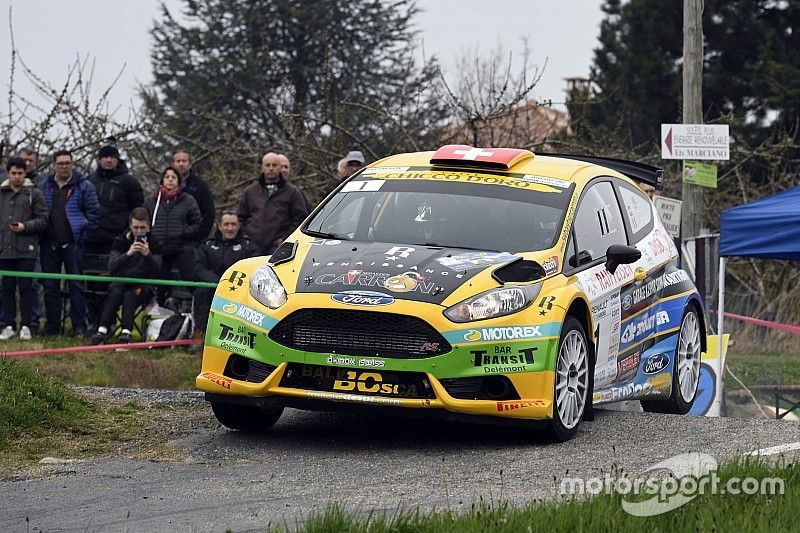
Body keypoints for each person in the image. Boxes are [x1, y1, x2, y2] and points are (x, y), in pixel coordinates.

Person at [39, 150, 99, 336]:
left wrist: (83, 238)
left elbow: (94, 213)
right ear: (54, 165)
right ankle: (52, 326)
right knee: (50, 287)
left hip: (74, 243)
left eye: (67, 163)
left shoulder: (84, 186)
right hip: (49, 243)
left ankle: (79, 327)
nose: (64, 166)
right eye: (60, 163)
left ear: (72, 164)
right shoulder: (44, 186)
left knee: (76, 287)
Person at [91, 207, 162, 345]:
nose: (139, 231)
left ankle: (126, 332)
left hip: (144, 285)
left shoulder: (155, 242)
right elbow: (111, 266)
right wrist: (128, 254)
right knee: (115, 291)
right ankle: (102, 329)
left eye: (142, 228)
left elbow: (158, 271)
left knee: (130, 295)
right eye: (136, 227)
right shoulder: (120, 240)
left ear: (148, 227)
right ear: (130, 226)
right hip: (122, 282)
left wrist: (147, 255)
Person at [192, 210, 259, 347]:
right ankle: (200, 334)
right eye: (226, 224)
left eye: (233, 224)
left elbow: (256, 266)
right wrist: (216, 281)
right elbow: (198, 267)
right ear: (220, 226)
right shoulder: (208, 245)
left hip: (240, 288)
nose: (230, 228)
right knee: (201, 293)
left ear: (238, 226)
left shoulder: (248, 245)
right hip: (214, 287)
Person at [0, 157, 48, 341]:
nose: (17, 177)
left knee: (27, 288)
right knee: (7, 288)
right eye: (14, 173)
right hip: (5, 249)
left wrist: (25, 227)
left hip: (27, 250)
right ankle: (8, 325)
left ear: (25, 173)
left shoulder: (34, 193)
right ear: (8, 173)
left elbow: (43, 219)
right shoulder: (1, 193)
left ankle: (27, 325)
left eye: (20, 173)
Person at [144, 166, 201, 305]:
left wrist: (184, 233)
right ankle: (160, 306)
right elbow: (144, 220)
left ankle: (195, 305)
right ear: (162, 180)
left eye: (173, 177)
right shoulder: (151, 201)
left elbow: (197, 222)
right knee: (160, 281)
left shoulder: (188, 200)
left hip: (181, 246)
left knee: (190, 279)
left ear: (179, 181)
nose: (170, 180)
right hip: (158, 248)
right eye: (167, 177)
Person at [238, 152, 308, 255]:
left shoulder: (292, 192)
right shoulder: (251, 191)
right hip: (253, 246)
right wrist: (248, 236)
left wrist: (285, 237)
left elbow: (301, 218)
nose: (271, 168)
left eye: (274, 165)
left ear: (280, 168)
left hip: (278, 247)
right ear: (262, 167)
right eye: (267, 165)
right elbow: (241, 217)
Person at [85, 144, 144, 255]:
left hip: (117, 238)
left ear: (117, 160)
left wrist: (128, 231)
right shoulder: (89, 181)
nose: (109, 160)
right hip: (91, 237)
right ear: (99, 160)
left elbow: (137, 210)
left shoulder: (129, 181)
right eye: (105, 157)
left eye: (112, 157)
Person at [171, 150, 215, 242]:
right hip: (170, 240)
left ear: (190, 164)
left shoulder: (200, 185)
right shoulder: (165, 185)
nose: (181, 164)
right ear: (173, 164)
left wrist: (199, 236)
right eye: (178, 161)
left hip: (193, 241)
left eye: (184, 161)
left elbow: (209, 213)